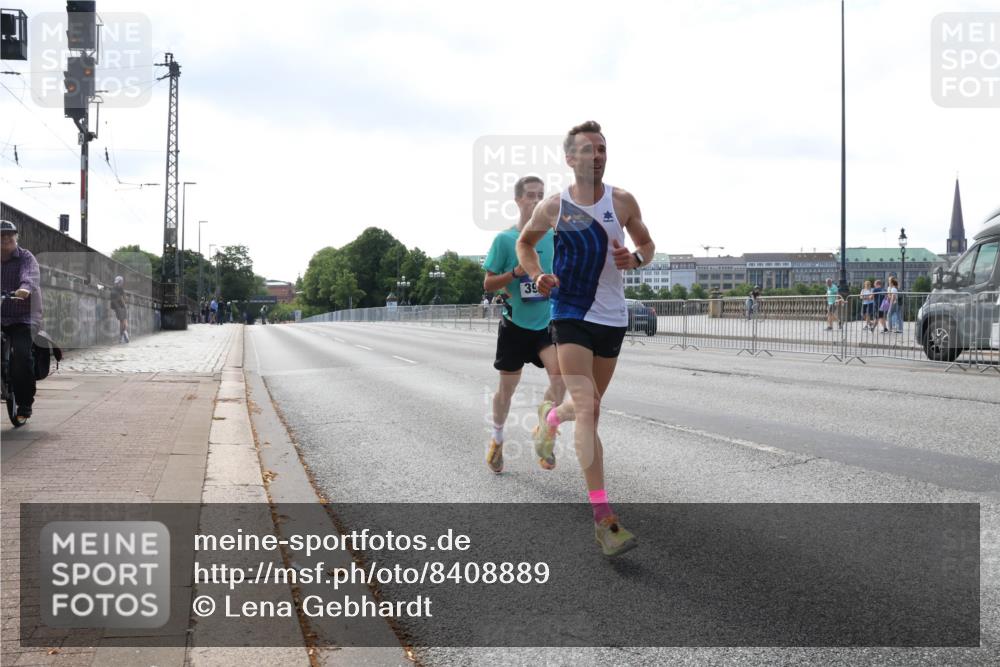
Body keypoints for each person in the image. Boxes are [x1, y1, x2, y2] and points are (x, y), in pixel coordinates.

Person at [517, 121, 654, 557]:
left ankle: (551, 421)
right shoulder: (555, 207)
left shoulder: (623, 200)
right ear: (570, 158)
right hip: (570, 311)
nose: (597, 155)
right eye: (587, 150)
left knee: (585, 405)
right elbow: (525, 244)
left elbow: (647, 245)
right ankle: (604, 520)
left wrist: (634, 258)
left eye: (602, 148)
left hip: (612, 317)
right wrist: (538, 275)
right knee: (590, 408)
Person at [483, 175, 565, 475]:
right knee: (506, 390)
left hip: (546, 324)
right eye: (530, 195)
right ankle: (497, 439)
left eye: (541, 195)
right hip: (515, 325)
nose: (536, 200)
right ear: (518, 200)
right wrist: (516, 273)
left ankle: (544, 431)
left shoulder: (555, 238)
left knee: (561, 378)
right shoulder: (505, 240)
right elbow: (489, 284)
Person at [1, 220, 42, 424]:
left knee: (22, 356)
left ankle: (24, 403)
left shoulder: (25, 257)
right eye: (2, 236)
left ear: (16, 237)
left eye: (10, 235)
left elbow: (29, 275)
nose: (6, 238)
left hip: (23, 317)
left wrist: (25, 288)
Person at [111, 276, 129, 343]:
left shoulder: (116, 288)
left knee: (123, 322)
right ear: (120, 282)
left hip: (119, 307)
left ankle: (122, 336)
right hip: (120, 307)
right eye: (121, 282)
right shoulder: (118, 288)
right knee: (123, 321)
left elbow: (124, 297)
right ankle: (124, 333)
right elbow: (123, 298)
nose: (121, 283)